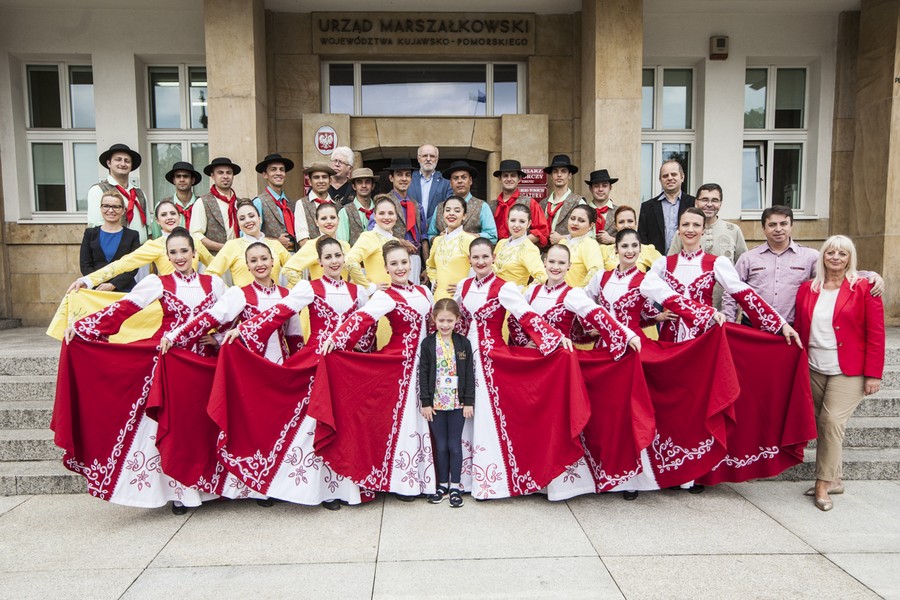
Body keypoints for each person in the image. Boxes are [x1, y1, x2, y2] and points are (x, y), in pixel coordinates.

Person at [56, 228, 226, 512]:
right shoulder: (158, 283)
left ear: (195, 253)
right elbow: (123, 309)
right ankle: (178, 491)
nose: (179, 257)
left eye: (184, 251)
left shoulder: (215, 284)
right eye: (173, 252)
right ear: (167, 256)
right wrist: (84, 327)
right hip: (170, 364)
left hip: (204, 365)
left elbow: (231, 319)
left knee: (200, 424)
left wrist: (218, 337)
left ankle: (207, 486)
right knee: (173, 425)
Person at [201, 236, 373, 510]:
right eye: (328, 257)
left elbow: (363, 331)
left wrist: (361, 359)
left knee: (342, 426)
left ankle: (342, 487)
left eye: (338, 255)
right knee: (313, 427)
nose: (334, 261)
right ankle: (315, 490)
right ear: (319, 262)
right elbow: (278, 314)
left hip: (343, 369)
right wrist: (240, 332)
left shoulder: (358, 293)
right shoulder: (307, 288)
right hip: (308, 366)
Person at [454, 238, 587, 500]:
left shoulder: (505, 288)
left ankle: (494, 480)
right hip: (463, 358)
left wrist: (553, 338)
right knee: (466, 414)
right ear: (470, 260)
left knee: (487, 415)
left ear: (494, 258)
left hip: (492, 359)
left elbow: (526, 316)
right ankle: (466, 479)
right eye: (476, 257)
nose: (481, 261)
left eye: (485, 256)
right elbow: (454, 319)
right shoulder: (463, 286)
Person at [516, 244, 645, 501]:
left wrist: (626, 334)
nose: (555, 267)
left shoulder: (572, 294)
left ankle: (565, 482)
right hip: (535, 367)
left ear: (568, 267)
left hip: (561, 368)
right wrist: (525, 341)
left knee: (561, 421)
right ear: (544, 262)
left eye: (561, 263)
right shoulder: (531, 291)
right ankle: (539, 478)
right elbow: (517, 320)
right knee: (538, 421)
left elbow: (597, 314)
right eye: (551, 261)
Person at [312, 240, 436, 498]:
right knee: (402, 421)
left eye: (404, 262)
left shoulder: (425, 292)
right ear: (386, 269)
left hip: (425, 365)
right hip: (399, 365)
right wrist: (336, 339)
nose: (400, 268)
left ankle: (420, 480)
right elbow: (362, 318)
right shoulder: (385, 296)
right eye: (394, 264)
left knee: (422, 417)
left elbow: (433, 327)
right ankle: (401, 482)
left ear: (411, 265)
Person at [794, 235, 884, 511]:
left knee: (831, 422)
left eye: (842, 254)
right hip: (814, 366)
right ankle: (836, 478)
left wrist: (874, 375)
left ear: (850, 259)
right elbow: (800, 327)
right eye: (830, 252)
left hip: (849, 370)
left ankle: (823, 484)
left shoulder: (865, 287)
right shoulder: (808, 288)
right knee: (825, 424)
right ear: (822, 256)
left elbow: (876, 334)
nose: (835, 257)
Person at [641, 207, 798, 344]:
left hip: (704, 337)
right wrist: (657, 316)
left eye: (696, 225)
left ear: (703, 230)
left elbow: (745, 294)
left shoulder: (716, 263)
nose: (690, 229)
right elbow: (646, 289)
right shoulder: (663, 263)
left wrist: (780, 324)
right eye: (685, 224)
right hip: (670, 337)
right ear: (678, 229)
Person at [722, 206, 884, 325]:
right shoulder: (748, 258)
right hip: (754, 326)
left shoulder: (810, 256)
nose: (778, 229)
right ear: (764, 228)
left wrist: (870, 275)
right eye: (772, 225)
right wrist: (729, 322)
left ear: (791, 226)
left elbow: (838, 272)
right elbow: (731, 291)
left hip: (793, 326)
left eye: (783, 224)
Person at [163, 242, 302, 364]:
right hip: (251, 368)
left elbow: (295, 337)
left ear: (273, 261)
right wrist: (173, 336)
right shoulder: (240, 294)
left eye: (264, 259)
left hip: (282, 366)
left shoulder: (288, 296)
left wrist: (297, 368)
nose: (259, 264)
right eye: (253, 261)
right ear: (248, 266)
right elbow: (211, 317)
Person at [67, 201, 214, 294]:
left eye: (172, 213)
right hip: (170, 298)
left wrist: (206, 285)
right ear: (157, 221)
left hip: (198, 295)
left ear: (179, 217)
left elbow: (215, 266)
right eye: (164, 215)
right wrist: (88, 280)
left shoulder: (195, 241)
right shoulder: (154, 245)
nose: (169, 217)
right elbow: (123, 263)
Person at [419, 298, 476, 508]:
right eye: (441, 320)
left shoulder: (463, 344)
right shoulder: (428, 344)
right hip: (435, 404)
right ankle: (442, 484)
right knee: (441, 446)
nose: (444, 325)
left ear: (457, 320)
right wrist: (425, 402)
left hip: (457, 404)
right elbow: (423, 373)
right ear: (434, 319)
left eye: (449, 321)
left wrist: (468, 401)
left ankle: (455, 486)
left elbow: (468, 373)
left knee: (454, 445)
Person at [668, 183, 748, 309]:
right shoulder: (685, 232)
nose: (709, 204)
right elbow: (670, 268)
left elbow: (743, 269)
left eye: (715, 200)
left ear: (720, 204)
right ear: (696, 202)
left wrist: (738, 303)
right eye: (705, 199)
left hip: (724, 306)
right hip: (689, 306)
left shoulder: (733, 230)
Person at [205, 201, 291, 287]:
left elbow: (295, 269)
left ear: (260, 219)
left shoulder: (275, 245)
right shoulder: (232, 246)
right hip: (244, 299)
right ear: (238, 224)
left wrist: (287, 292)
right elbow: (210, 274)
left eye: (251, 216)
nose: (248, 221)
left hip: (275, 299)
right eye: (242, 219)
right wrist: (230, 294)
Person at [87, 143, 150, 243]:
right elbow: (96, 226)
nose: (123, 164)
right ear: (109, 163)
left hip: (141, 252)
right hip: (116, 251)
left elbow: (148, 227)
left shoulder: (139, 192)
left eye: (127, 161)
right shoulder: (98, 190)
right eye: (118, 159)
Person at [283, 202, 357, 287]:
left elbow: (353, 272)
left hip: (342, 295)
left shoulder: (345, 245)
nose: (329, 222)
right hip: (320, 297)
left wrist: (350, 288)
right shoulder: (312, 245)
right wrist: (309, 289)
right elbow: (289, 268)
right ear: (317, 222)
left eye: (332, 217)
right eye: (323, 218)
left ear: (338, 220)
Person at [79, 190, 140, 293]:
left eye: (116, 207)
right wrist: (98, 283)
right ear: (101, 208)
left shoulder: (132, 235)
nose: (110, 210)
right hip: (97, 289)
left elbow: (133, 266)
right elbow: (85, 265)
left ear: (123, 210)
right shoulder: (90, 234)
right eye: (106, 206)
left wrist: (113, 285)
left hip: (124, 290)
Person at [379, 157, 426, 283]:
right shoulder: (383, 202)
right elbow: (375, 233)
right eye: (399, 175)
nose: (404, 179)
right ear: (391, 178)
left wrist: (426, 267)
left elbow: (423, 237)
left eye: (407, 175)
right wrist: (400, 242)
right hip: (392, 260)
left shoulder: (417, 205)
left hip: (414, 260)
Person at [428, 160, 497, 244]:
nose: (460, 181)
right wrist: (438, 238)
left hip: (470, 256)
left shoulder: (482, 206)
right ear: (450, 183)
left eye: (464, 177)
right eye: (455, 178)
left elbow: (492, 236)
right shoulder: (439, 207)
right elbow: (430, 235)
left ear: (470, 181)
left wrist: (466, 236)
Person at [637, 159, 694, 254]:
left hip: (687, 260)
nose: (670, 178)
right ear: (660, 180)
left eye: (674, 174)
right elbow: (642, 239)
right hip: (656, 263)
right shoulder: (647, 207)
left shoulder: (693, 203)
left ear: (682, 177)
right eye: (665, 176)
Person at [344, 195, 401, 290]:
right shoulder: (369, 237)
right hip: (378, 297)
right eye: (381, 213)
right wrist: (369, 287)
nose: (386, 217)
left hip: (397, 295)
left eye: (391, 213)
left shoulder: (396, 241)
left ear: (396, 216)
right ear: (374, 216)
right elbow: (349, 261)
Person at [191, 157, 246, 253]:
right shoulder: (203, 202)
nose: (225, 176)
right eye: (220, 173)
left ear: (233, 176)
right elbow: (195, 235)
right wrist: (222, 247)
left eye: (229, 173)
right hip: (213, 260)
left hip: (240, 258)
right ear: (212, 176)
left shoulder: (241, 203)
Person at [489, 159, 549, 246]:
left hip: (522, 254)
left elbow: (542, 232)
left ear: (519, 178)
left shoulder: (530, 203)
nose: (509, 179)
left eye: (513, 176)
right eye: (505, 176)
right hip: (496, 254)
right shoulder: (491, 205)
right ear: (500, 178)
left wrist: (516, 243)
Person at [425, 197, 476, 300]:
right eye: (448, 210)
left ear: (464, 216)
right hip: (438, 297)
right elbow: (431, 266)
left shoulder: (470, 240)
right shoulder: (437, 241)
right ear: (443, 214)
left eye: (457, 211)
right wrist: (434, 281)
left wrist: (465, 286)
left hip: (460, 297)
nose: (451, 213)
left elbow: (480, 268)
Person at [492, 204, 547, 288]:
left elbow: (542, 277)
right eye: (513, 220)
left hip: (512, 296)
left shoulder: (529, 249)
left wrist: (523, 292)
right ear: (507, 221)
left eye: (522, 221)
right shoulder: (501, 243)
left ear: (529, 224)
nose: (516, 225)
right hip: (492, 293)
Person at [252, 153, 298, 251]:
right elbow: (251, 236)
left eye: (282, 169)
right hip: (271, 258)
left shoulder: (291, 204)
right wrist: (276, 241)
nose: (278, 173)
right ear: (265, 175)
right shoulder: (259, 202)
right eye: (273, 169)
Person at [540, 154, 585, 246]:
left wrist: (562, 238)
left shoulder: (578, 202)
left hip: (568, 254)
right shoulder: (543, 203)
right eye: (555, 172)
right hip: (544, 254)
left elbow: (589, 233)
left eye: (563, 171)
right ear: (551, 176)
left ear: (569, 175)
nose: (559, 175)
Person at [600, 205, 661, 272]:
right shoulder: (604, 251)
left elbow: (666, 268)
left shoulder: (646, 250)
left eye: (630, 221)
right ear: (616, 226)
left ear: (635, 223)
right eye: (621, 222)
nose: (626, 225)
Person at [152, 161, 203, 238]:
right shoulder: (162, 205)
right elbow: (157, 236)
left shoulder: (202, 203)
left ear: (192, 180)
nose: (182, 180)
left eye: (185, 176)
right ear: (174, 180)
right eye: (178, 176)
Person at [559, 205, 605, 287]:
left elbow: (596, 272)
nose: (575, 223)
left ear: (591, 225)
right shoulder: (563, 242)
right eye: (572, 218)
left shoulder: (590, 244)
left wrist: (577, 291)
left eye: (581, 220)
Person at [409, 143, 452, 227]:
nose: (428, 159)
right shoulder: (408, 180)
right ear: (418, 158)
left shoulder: (446, 183)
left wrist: (427, 223)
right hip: (411, 231)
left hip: (436, 230)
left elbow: (448, 208)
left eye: (432, 156)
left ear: (437, 159)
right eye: (425, 156)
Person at [295, 162, 337, 247]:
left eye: (324, 177)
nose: (321, 181)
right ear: (310, 181)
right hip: (310, 257)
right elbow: (302, 239)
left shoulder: (337, 206)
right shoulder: (301, 204)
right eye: (316, 177)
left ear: (330, 181)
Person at [337, 167, 376, 246]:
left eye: (367, 182)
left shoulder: (380, 209)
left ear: (373, 186)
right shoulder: (345, 212)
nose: (364, 185)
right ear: (354, 186)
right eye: (359, 182)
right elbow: (343, 244)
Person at [584, 169, 619, 244]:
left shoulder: (619, 212)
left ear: (610, 188)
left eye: (604, 186)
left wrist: (612, 240)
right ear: (590, 189)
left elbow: (629, 239)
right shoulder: (583, 211)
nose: (600, 189)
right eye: (596, 186)